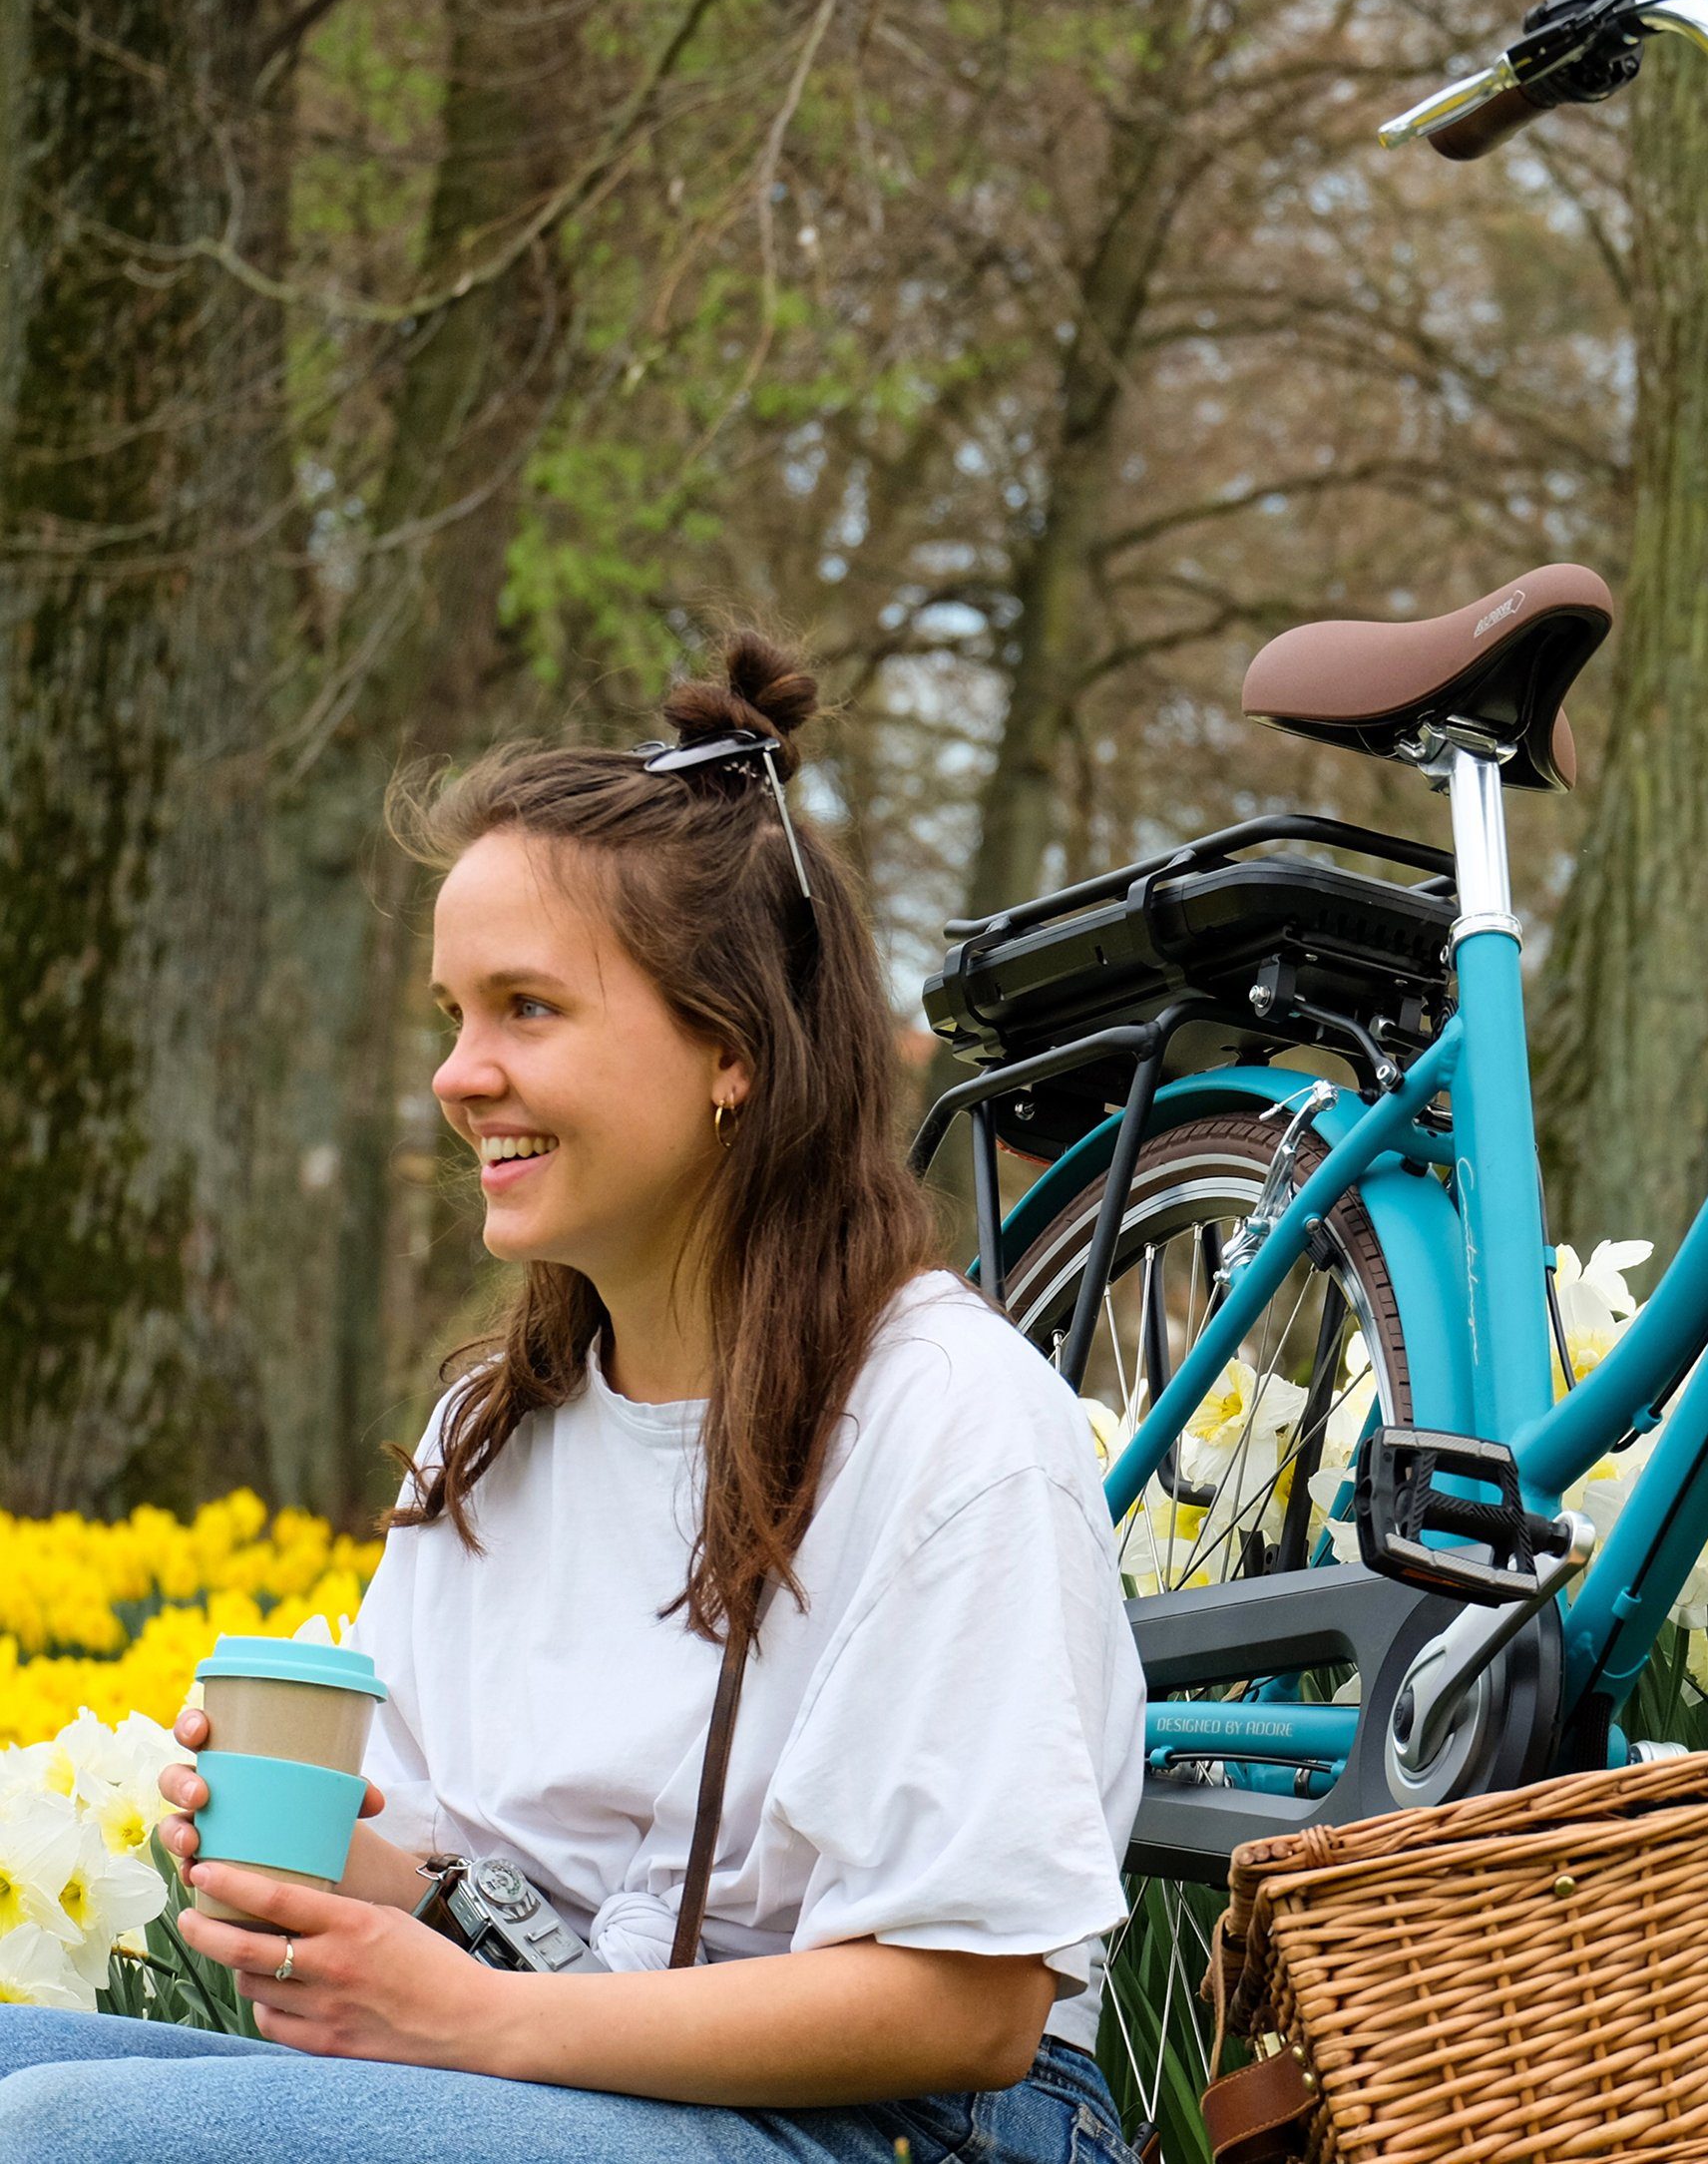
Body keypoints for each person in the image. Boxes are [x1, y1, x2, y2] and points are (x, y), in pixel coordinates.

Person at [0, 635, 1147, 2163]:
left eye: (526, 1010)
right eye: (451, 1015)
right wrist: (337, 1876)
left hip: (914, 2128)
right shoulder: (498, 1425)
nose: (458, 1076)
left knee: (64, 2138)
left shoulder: (945, 1422)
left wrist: (461, 2021)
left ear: (732, 1046)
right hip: (564, 2083)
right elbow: (485, 1925)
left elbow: (969, 2005)